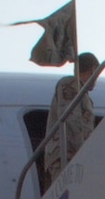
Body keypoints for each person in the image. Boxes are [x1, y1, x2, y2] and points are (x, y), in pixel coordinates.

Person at [42, 52, 100, 189]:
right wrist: (84, 153)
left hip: (75, 155)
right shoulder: (70, 84)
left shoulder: (85, 95)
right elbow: (72, 120)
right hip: (67, 155)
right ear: (93, 69)